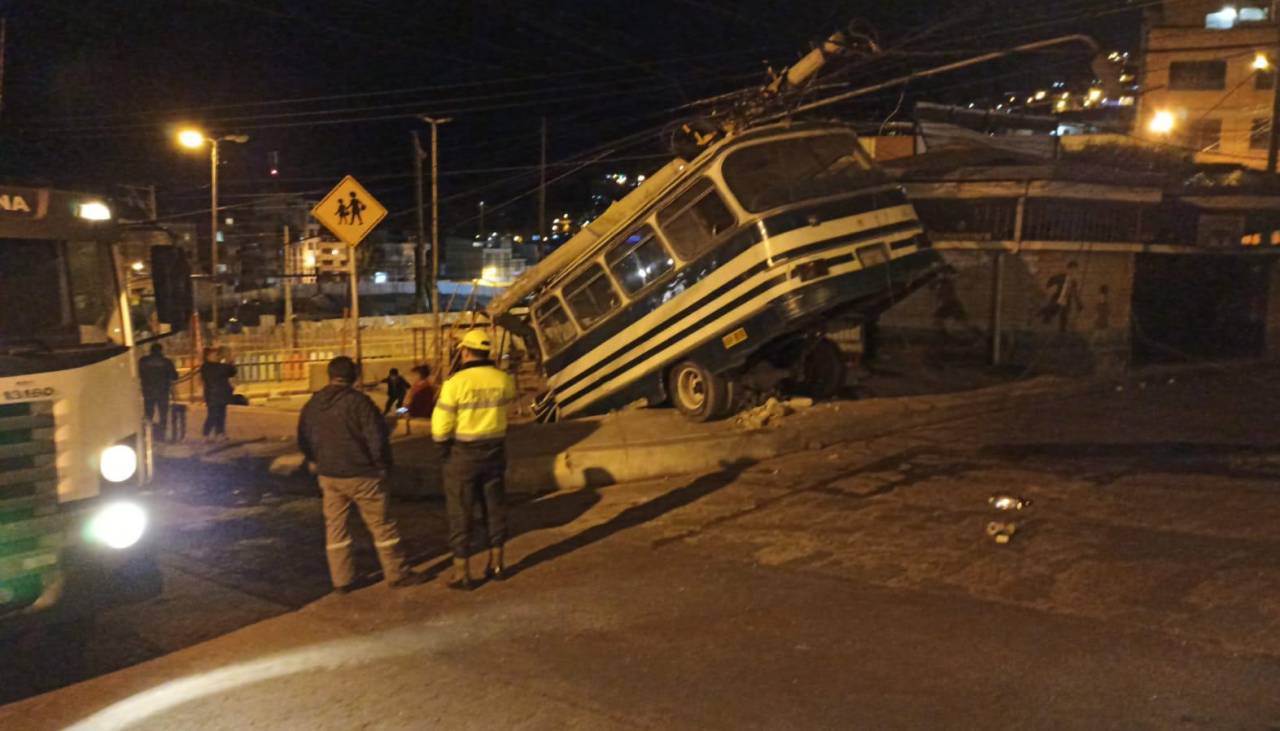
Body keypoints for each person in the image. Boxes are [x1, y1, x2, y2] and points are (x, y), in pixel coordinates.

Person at [298, 356, 424, 593]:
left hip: (329, 474)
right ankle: (397, 573)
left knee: (336, 528)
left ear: (329, 375)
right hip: (362, 474)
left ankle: (342, 580)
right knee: (382, 525)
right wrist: (383, 465)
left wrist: (314, 460)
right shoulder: (359, 403)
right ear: (354, 376)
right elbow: (376, 437)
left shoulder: (313, 404)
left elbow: (303, 436)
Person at [432, 330, 516, 590]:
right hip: (495, 451)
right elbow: (509, 408)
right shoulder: (504, 380)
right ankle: (498, 564)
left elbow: (441, 426)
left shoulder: (455, 383)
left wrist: (443, 448)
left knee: (461, 512)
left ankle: (463, 573)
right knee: (495, 508)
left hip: (463, 455)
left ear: (465, 351)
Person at [139, 343, 178, 442]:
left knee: (149, 414)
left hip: (148, 392)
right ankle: (161, 435)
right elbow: (174, 376)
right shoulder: (167, 362)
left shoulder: (143, 361)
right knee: (163, 415)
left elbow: (139, 374)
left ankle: (147, 435)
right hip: (163, 392)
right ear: (161, 350)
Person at [199, 347, 237, 442]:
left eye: (217, 355)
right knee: (212, 415)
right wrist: (229, 364)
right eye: (214, 355)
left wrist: (231, 363)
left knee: (221, 415)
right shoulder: (207, 367)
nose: (216, 356)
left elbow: (232, 372)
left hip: (221, 394)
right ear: (207, 357)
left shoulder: (219, 366)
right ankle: (206, 434)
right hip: (212, 394)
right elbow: (224, 372)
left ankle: (219, 433)